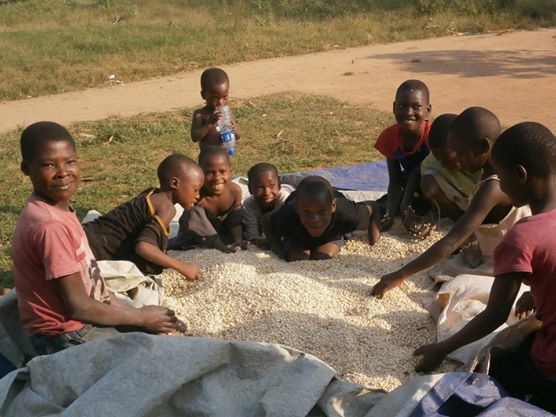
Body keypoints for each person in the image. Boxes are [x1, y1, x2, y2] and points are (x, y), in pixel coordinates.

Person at [413, 122, 556, 413]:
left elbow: (495, 315)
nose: (499, 186)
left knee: (495, 373)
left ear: (520, 175)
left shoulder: (523, 238)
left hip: (551, 366)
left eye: (501, 177)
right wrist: (539, 295)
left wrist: (441, 349)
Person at [12, 121, 180, 355]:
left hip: (85, 318)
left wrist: (137, 316)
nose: (63, 172)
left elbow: (94, 289)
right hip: (65, 335)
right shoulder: (50, 225)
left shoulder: (59, 209)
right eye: (49, 165)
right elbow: (78, 306)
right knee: (153, 357)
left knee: (157, 334)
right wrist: (140, 317)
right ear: (26, 169)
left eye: (70, 162)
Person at [371, 107, 531, 299]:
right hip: (497, 246)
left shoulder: (493, 187)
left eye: (460, 153)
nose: (457, 160)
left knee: (456, 289)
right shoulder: (499, 166)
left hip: (515, 257)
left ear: (482, 147)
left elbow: (452, 240)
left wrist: (400, 275)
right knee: (447, 268)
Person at [83, 153, 203, 281]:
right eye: (195, 190)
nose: (198, 196)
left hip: (86, 234)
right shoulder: (167, 209)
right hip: (92, 250)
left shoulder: (152, 193)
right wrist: (183, 267)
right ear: (174, 183)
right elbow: (144, 247)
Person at [262, 176, 380, 261]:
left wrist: (374, 240)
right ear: (297, 209)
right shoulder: (287, 216)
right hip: (299, 233)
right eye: (307, 213)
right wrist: (280, 253)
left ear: (333, 206)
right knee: (297, 259)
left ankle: (340, 237)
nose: (315, 220)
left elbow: (372, 207)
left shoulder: (348, 214)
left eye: (321, 212)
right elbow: (266, 221)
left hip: (331, 232)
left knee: (323, 257)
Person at [375, 79, 432, 232]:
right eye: (402, 106)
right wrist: (391, 214)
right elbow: (394, 180)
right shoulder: (389, 137)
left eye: (416, 107)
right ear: (394, 107)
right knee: (383, 205)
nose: (408, 112)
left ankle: (432, 214)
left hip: (434, 184)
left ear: (427, 110)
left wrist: (405, 204)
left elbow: (420, 171)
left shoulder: (433, 136)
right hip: (410, 184)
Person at [170, 146, 245, 252]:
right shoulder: (197, 195)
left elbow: (236, 219)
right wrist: (221, 247)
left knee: (241, 215)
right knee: (192, 218)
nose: (217, 178)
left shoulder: (235, 191)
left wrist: (238, 240)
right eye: (210, 173)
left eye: (222, 172)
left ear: (231, 172)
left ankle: (228, 239)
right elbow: (195, 222)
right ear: (199, 173)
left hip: (221, 231)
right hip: (195, 233)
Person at [420, 113, 482, 222]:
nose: (444, 165)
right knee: (428, 183)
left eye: (450, 160)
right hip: (463, 204)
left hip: (487, 204)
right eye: (440, 161)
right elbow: (421, 173)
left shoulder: (481, 158)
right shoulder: (435, 159)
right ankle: (461, 221)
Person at [243, 162, 294, 248]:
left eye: (271, 186)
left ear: (279, 186)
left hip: (291, 186)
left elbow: (291, 225)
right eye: (260, 187)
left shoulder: (285, 199)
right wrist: (259, 241)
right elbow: (252, 234)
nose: (267, 192)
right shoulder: (249, 204)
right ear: (250, 189)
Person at [190, 67, 241, 150]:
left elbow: (238, 137)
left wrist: (235, 132)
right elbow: (195, 137)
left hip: (224, 157)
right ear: (203, 95)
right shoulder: (200, 114)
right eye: (216, 98)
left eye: (225, 97)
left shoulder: (228, 114)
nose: (220, 102)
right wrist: (209, 123)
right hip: (207, 158)